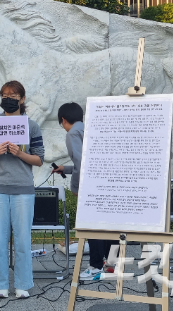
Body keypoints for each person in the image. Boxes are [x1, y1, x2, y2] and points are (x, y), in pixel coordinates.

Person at [0, 80, 44, 299]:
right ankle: (0, 284)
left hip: (23, 188)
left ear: (22, 99)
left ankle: (23, 283)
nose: (9, 98)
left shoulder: (31, 125)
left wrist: (19, 153)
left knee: (23, 238)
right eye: (5, 95)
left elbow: (39, 159)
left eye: (14, 95)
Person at [51, 102, 116, 279]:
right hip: (105, 183)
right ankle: (112, 264)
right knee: (109, 225)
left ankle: (95, 266)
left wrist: (76, 188)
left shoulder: (72, 133)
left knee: (92, 226)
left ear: (63, 120)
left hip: (90, 187)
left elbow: (82, 163)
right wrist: (66, 169)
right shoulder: (89, 129)